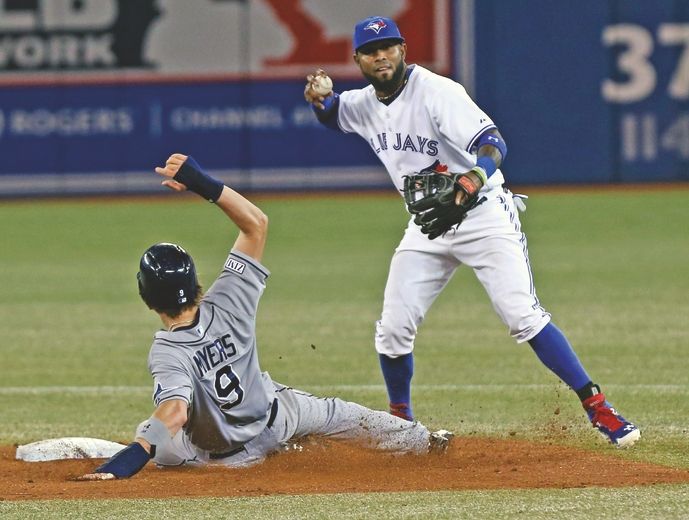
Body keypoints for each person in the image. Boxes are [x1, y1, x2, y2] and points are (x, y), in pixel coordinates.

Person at [303, 16, 640, 448]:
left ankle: (599, 408)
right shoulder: (364, 103)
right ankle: (400, 424)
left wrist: (476, 176)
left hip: (483, 216)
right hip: (428, 225)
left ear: (403, 49)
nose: (380, 56)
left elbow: (493, 142)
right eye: (371, 51)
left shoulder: (439, 92)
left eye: (388, 46)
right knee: (392, 330)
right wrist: (320, 99)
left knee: (523, 316)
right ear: (358, 60)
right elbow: (336, 114)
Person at [77, 153, 452, 481]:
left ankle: (277, 454)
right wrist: (200, 181)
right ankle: (425, 442)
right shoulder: (228, 298)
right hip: (277, 420)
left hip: (229, 461)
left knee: (153, 431)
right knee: (340, 415)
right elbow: (256, 222)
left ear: (147, 299)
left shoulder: (167, 352)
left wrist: (130, 459)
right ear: (196, 284)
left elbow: (174, 413)